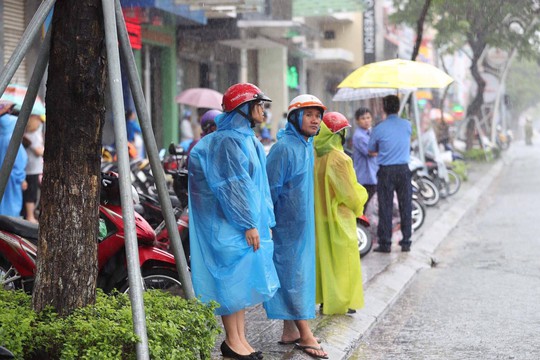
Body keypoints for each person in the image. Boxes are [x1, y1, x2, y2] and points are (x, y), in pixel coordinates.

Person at [188, 83, 279, 360]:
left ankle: (239, 339)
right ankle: (231, 341)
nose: (263, 110)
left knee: (238, 283)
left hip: (241, 223)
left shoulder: (246, 138)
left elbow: (257, 186)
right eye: (259, 104)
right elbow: (231, 186)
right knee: (229, 282)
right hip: (227, 224)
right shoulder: (228, 141)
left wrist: (263, 221)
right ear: (244, 108)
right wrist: (247, 223)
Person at [264, 94, 329, 359]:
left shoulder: (305, 145)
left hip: (302, 226)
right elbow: (269, 189)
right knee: (292, 279)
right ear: (295, 117)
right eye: (309, 115)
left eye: (318, 115)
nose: (315, 120)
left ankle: (290, 331)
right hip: (285, 227)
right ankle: (306, 335)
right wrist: (268, 223)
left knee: (298, 276)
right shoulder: (284, 148)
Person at [313, 111, 368, 316]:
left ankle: (327, 301)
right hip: (340, 218)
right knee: (344, 262)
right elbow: (349, 193)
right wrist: (359, 202)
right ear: (339, 134)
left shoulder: (315, 156)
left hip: (320, 218)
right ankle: (342, 301)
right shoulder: (340, 159)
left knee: (324, 261)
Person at [368, 95, 412, 253]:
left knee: (385, 207)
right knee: (405, 205)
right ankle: (406, 241)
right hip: (403, 169)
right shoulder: (407, 125)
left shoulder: (379, 128)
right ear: (398, 107)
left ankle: (385, 243)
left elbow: (371, 149)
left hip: (386, 171)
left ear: (384, 108)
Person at [0, 100, 28, 217]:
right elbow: (19, 160)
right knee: (11, 211)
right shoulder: (12, 136)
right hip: (11, 178)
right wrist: (21, 178)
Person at [21, 113, 45, 223]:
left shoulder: (27, 132)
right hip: (33, 169)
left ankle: (27, 214)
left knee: (28, 192)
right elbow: (38, 151)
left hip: (30, 167)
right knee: (31, 193)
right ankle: (30, 216)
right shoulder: (33, 134)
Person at [352, 107, 378, 204]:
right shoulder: (359, 136)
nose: (366, 121)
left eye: (368, 117)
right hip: (366, 178)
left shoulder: (370, 132)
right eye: (363, 118)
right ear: (357, 121)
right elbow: (372, 152)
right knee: (367, 205)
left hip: (373, 175)